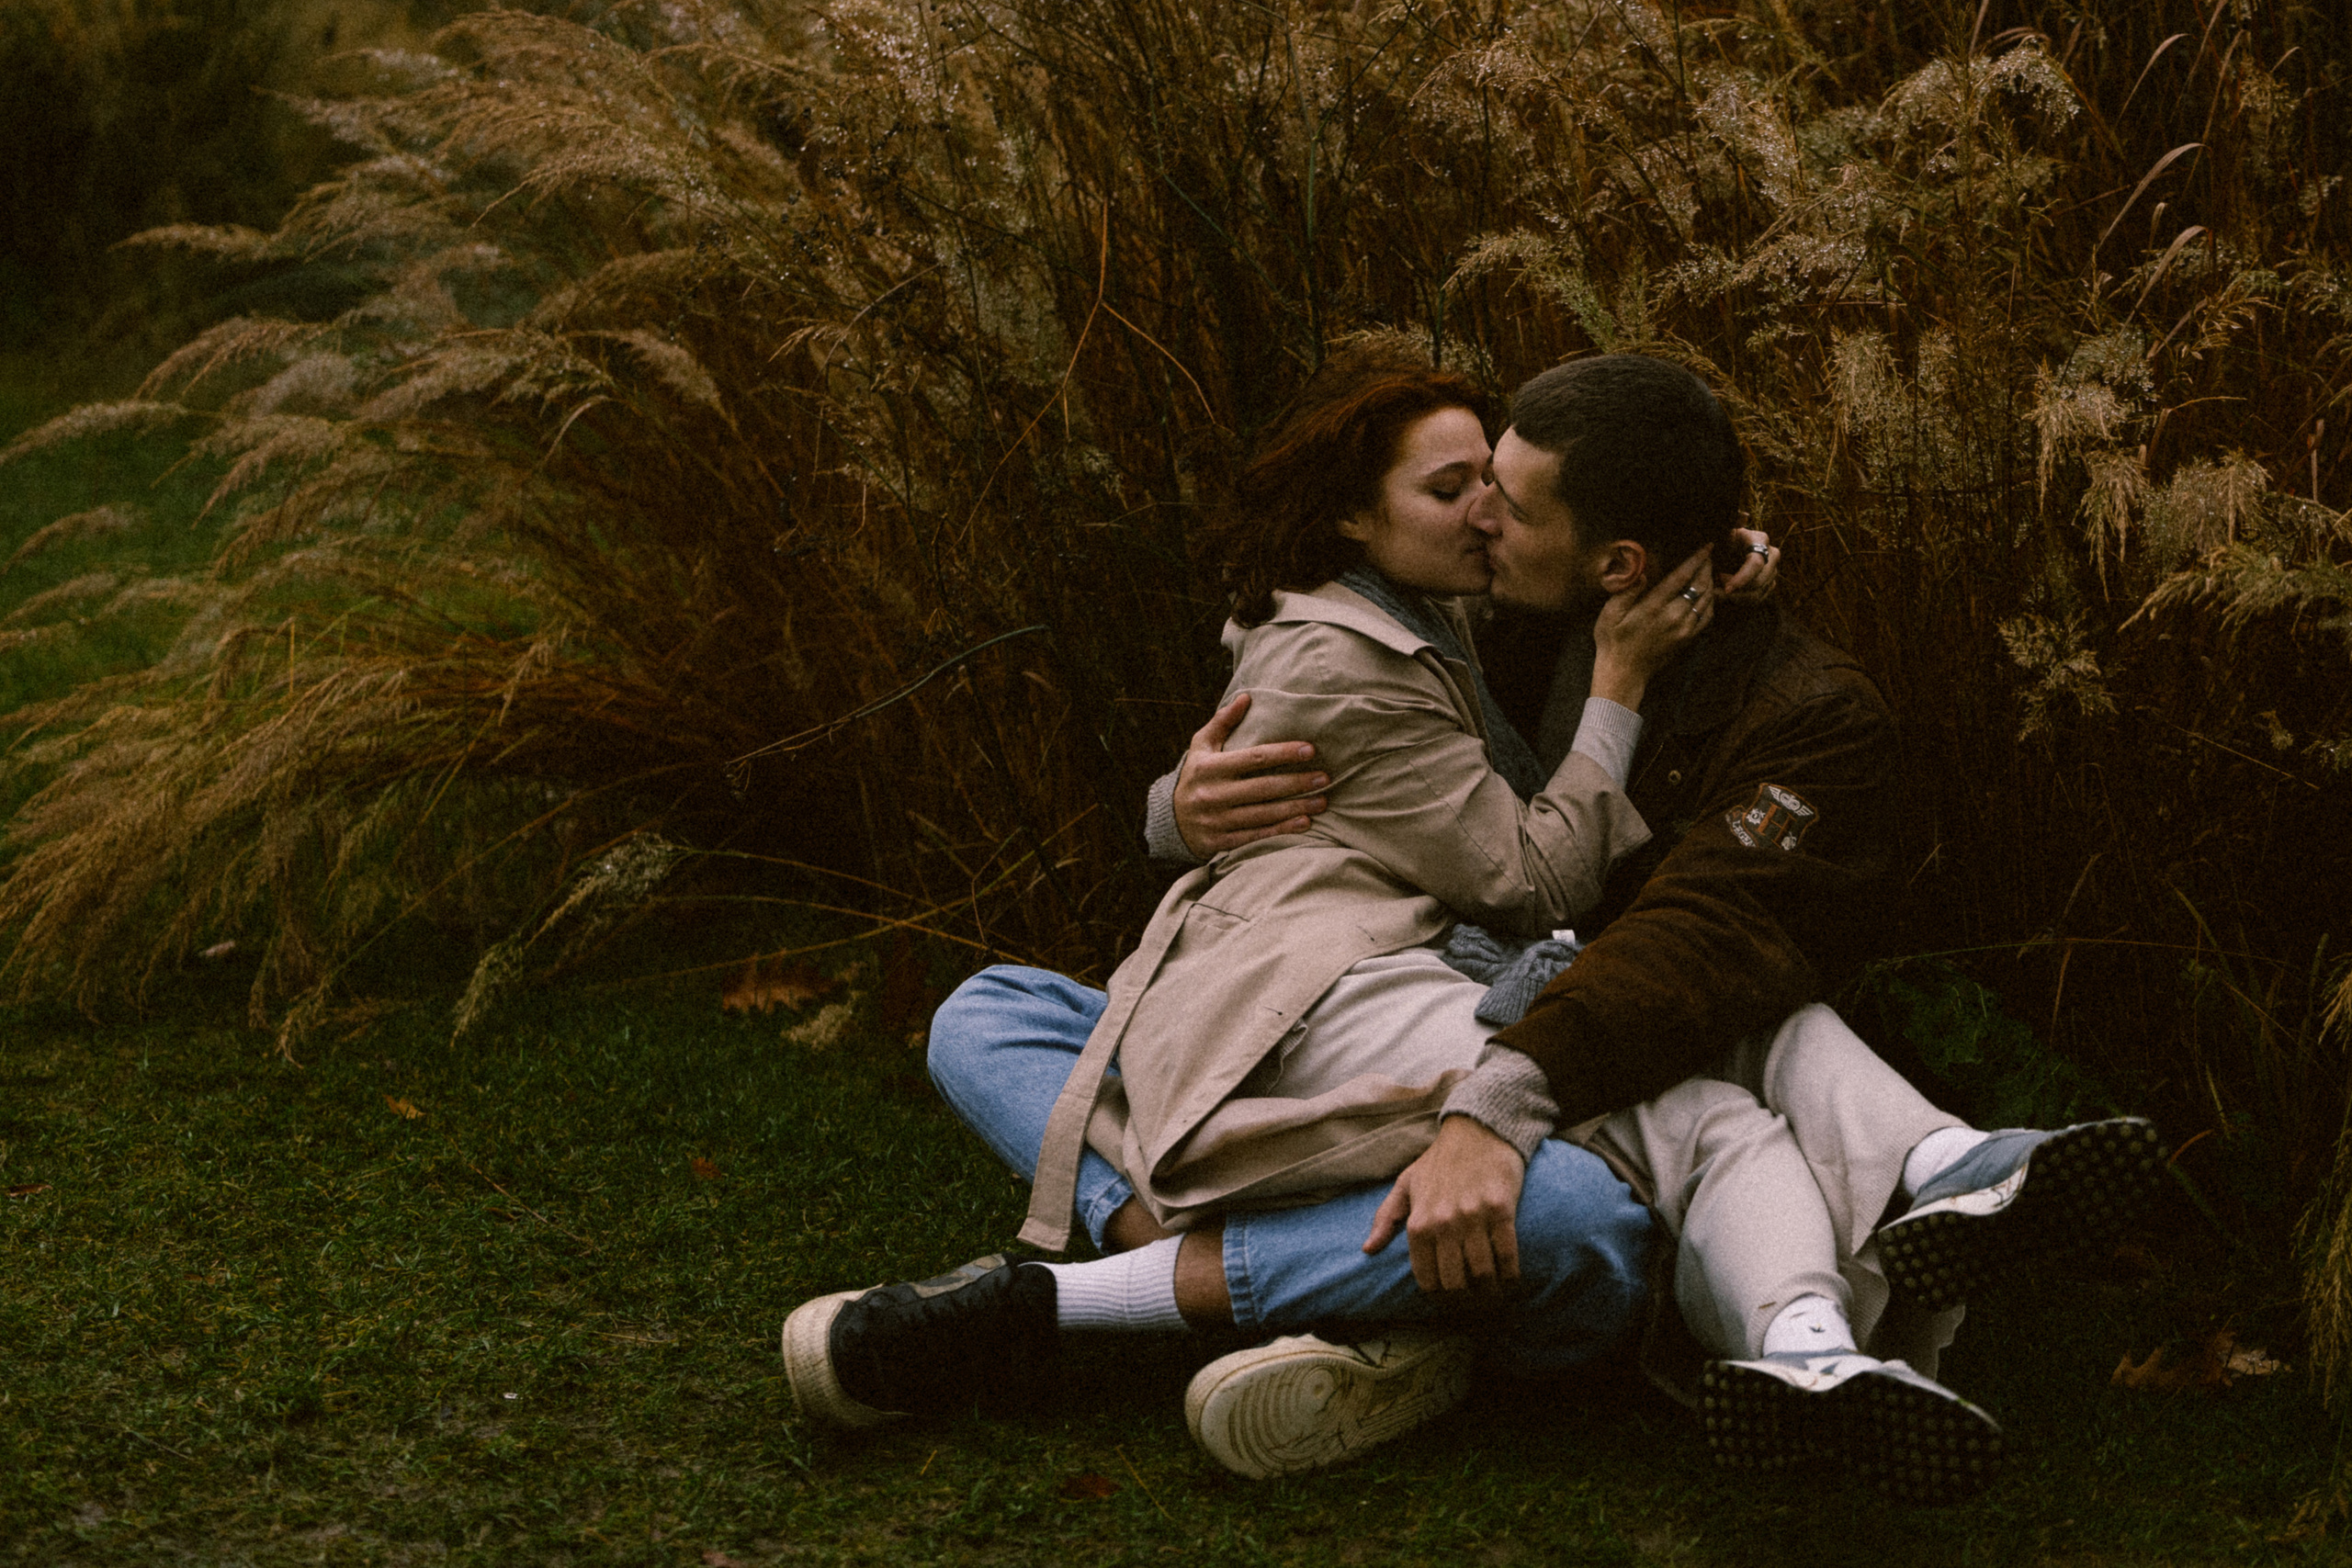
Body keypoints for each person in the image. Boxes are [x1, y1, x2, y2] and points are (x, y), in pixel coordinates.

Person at [786, 354, 2166, 1501]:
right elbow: (1345, 715)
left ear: (1617, 560)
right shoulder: (1494, 616)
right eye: (1461, 494)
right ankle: (1178, 1250)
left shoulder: (1726, 685)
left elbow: (1663, 934)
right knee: (993, 1008)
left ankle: (1789, 1333)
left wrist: (1499, 1101)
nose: (1484, 525)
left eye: (1499, 500)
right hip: (1387, 996)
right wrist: (1178, 808)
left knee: (1592, 1209)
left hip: (1510, 1008)